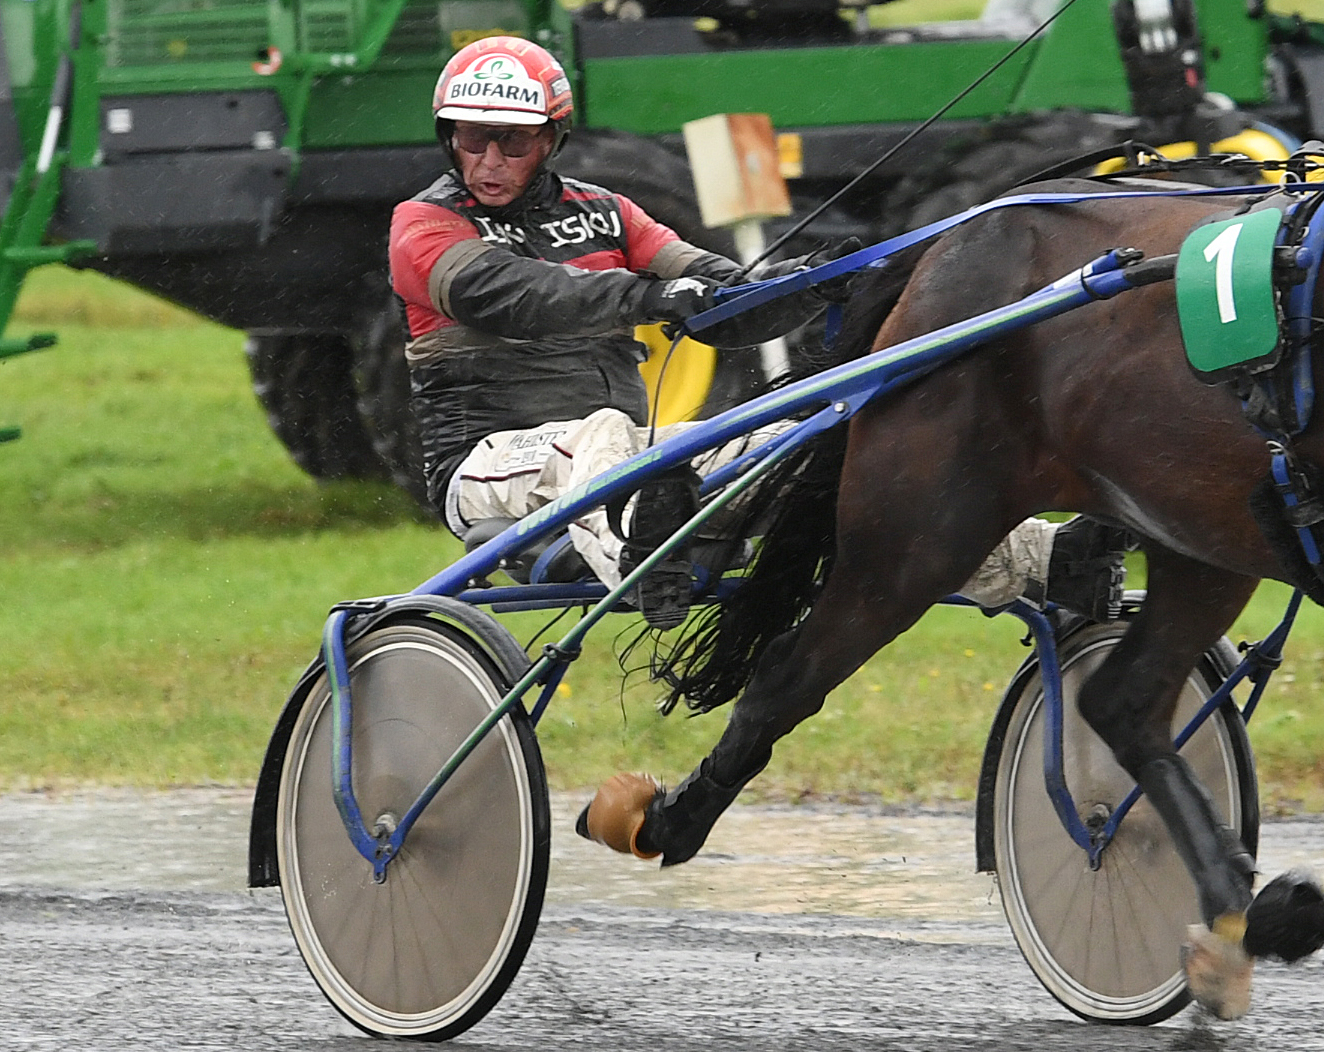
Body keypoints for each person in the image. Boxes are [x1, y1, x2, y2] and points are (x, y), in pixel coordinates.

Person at [387, 36, 1120, 626]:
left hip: (632, 462)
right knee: (601, 435)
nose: (489, 161)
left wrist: (809, 282)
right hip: (488, 467)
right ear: (448, 135)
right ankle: (644, 565)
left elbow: (721, 300)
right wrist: (654, 295)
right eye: (472, 140)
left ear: (553, 139)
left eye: (512, 143)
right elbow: (516, 296)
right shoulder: (424, 224)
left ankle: (1045, 558)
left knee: (804, 450)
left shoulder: (607, 212)